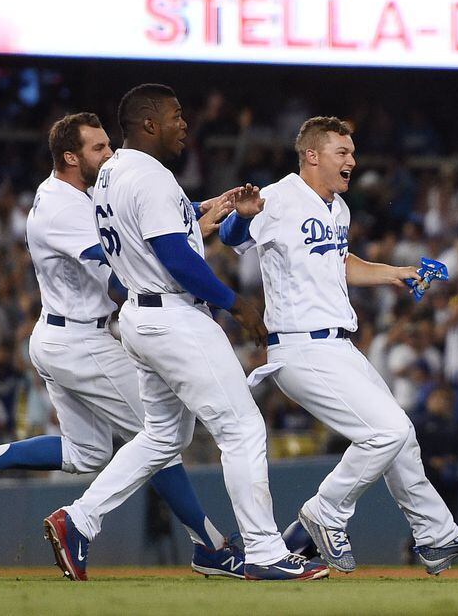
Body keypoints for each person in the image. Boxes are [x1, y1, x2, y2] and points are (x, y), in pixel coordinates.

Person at [0, 112, 248, 580]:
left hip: (65, 335)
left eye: (108, 144)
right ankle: (209, 545)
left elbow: (139, 226)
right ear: (69, 156)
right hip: (82, 339)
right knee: (159, 439)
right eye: (98, 148)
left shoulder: (78, 194)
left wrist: (202, 209)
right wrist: (177, 276)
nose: (109, 154)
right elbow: (120, 277)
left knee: (87, 454)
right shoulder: (61, 208)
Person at [41, 85, 326, 582]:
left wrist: (203, 211)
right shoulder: (148, 176)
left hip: (139, 314)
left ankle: (79, 520)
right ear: (148, 124)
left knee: (162, 435)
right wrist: (236, 303)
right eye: (175, 115)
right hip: (173, 315)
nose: (183, 123)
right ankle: (263, 551)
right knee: (242, 429)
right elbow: (173, 256)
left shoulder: (110, 172)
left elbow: (151, 232)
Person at [218, 116, 458, 576]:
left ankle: (436, 537)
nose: (352, 160)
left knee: (401, 436)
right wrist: (241, 217)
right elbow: (233, 237)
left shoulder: (337, 208)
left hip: (337, 345)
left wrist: (394, 273)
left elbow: (339, 262)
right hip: (300, 346)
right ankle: (325, 513)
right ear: (312, 155)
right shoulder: (281, 195)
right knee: (384, 432)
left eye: (351, 152)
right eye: (342, 152)